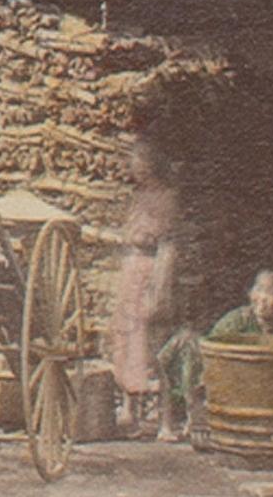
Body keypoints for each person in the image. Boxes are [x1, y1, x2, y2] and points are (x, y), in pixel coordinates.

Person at [156, 267, 273, 441]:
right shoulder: (238, 319)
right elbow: (217, 354)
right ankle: (179, 421)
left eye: (271, 292)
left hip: (254, 386)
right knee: (186, 344)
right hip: (220, 375)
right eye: (258, 289)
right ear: (250, 292)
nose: (262, 298)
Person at [107, 135, 181, 435]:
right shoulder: (138, 197)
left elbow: (167, 245)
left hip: (151, 269)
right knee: (126, 335)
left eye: (141, 166)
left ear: (152, 165)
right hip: (131, 268)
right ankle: (129, 408)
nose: (137, 172)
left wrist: (158, 288)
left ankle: (162, 418)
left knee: (151, 340)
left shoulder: (168, 197)